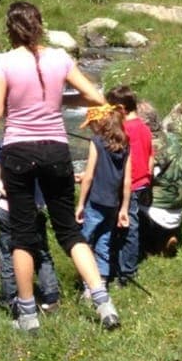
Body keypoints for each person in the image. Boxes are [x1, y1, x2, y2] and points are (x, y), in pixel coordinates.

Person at [0, 0, 121, 332]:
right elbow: (96, 98)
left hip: (18, 152)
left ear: (10, 29)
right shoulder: (60, 58)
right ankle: (103, 302)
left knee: (22, 235)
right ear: (40, 25)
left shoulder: (4, 62)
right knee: (69, 231)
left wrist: (12, 100)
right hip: (56, 150)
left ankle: (28, 314)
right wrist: (59, 99)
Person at [0, 138, 60, 316]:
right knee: (41, 252)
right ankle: (51, 298)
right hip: (35, 208)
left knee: (8, 255)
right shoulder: (44, 144)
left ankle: (10, 301)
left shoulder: (4, 142)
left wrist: (11, 195)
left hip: (7, 208)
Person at [74, 104, 132, 288]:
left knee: (83, 241)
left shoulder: (97, 142)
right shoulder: (125, 144)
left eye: (91, 124)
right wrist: (124, 208)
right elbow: (127, 180)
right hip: (113, 203)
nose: (90, 128)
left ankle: (88, 283)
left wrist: (80, 204)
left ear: (99, 123)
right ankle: (103, 279)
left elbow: (90, 176)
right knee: (104, 241)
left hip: (95, 201)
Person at [105, 85, 154, 284]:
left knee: (127, 227)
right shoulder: (144, 127)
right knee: (131, 223)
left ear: (121, 109)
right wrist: (148, 178)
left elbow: (123, 160)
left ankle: (127, 271)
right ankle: (124, 263)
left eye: (111, 110)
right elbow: (151, 156)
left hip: (130, 185)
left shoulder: (125, 130)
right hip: (143, 182)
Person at [138, 103, 182, 255]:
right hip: (177, 205)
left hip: (156, 210)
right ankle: (169, 236)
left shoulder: (150, 144)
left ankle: (154, 244)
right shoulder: (173, 138)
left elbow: (144, 176)